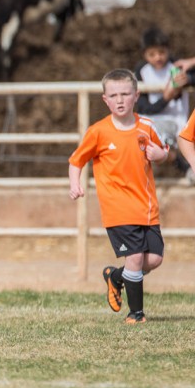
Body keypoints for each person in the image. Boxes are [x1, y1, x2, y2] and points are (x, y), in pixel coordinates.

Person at [68, 68, 170, 324]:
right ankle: (136, 314)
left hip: (146, 207)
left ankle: (115, 277)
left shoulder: (146, 126)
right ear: (105, 99)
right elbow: (76, 161)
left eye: (126, 93)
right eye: (114, 95)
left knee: (154, 259)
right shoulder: (98, 132)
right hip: (117, 207)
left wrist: (160, 155)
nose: (120, 99)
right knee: (135, 257)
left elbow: (164, 151)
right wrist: (74, 184)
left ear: (136, 96)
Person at [133, 26, 195, 183]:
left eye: (161, 52)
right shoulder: (141, 71)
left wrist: (188, 80)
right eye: (152, 54)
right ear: (144, 54)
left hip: (176, 121)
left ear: (168, 50)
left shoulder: (177, 66)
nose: (158, 58)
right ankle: (184, 166)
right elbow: (143, 107)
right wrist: (166, 98)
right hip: (151, 121)